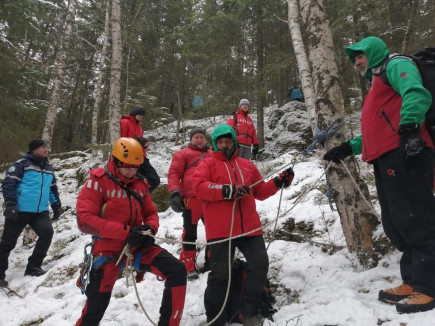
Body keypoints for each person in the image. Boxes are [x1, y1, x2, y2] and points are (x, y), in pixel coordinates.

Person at [323, 36, 435, 314]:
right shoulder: (376, 83)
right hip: (388, 156)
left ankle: (428, 286)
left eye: (359, 56)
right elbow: (380, 128)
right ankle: (412, 280)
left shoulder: (395, 65)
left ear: (373, 52)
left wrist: (410, 127)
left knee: (416, 217)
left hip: (407, 151)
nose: (356, 62)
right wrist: (350, 147)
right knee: (397, 221)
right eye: (354, 59)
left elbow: (417, 93)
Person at [75, 137, 186, 325]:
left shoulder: (140, 184)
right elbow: (84, 220)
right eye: (127, 167)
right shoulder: (97, 181)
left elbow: (150, 212)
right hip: (107, 250)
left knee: (177, 270)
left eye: (135, 167)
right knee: (95, 309)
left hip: (136, 246)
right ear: (115, 161)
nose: (131, 171)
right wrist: (125, 232)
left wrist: (150, 229)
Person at [192, 124, 294, 325]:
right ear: (215, 144)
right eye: (220, 142)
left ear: (233, 142)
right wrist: (227, 190)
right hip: (221, 230)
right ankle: (215, 318)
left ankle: (249, 312)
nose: (224, 145)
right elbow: (200, 187)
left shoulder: (246, 165)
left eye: (228, 141)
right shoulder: (207, 164)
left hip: (249, 228)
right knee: (220, 274)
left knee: (259, 265)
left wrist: (278, 182)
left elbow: (261, 191)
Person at [0, 139, 61, 287]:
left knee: (47, 233)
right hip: (19, 210)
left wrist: (56, 205)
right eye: (43, 147)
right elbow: (9, 184)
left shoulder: (49, 168)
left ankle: (33, 267)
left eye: (47, 147)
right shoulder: (22, 165)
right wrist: (10, 203)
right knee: (8, 243)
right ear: (34, 150)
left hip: (40, 211)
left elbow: (52, 189)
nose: (47, 149)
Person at [167, 128, 212, 280]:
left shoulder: (213, 154)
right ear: (191, 139)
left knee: (214, 232)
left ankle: (211, 262)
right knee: (189, 233)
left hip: (210, 198)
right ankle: (188, 265)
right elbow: (174, 174)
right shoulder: (182, 154)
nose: (199, 140)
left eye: (202, 137)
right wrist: (174, 192)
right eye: (196, 137)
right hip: (191, 199)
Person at [120, 105, 160, 192]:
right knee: (134, 181)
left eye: (142, 116)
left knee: (155, 179)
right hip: (129, 157)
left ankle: (141, 196)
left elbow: (139, 143)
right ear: (133, 115)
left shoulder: (140, 128)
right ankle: (133, 198)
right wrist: (136, 140)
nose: (141, 118)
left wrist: (144, 145)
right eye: (139, 116)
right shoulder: (124, 122)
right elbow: (121, 140)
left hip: (141, 156)